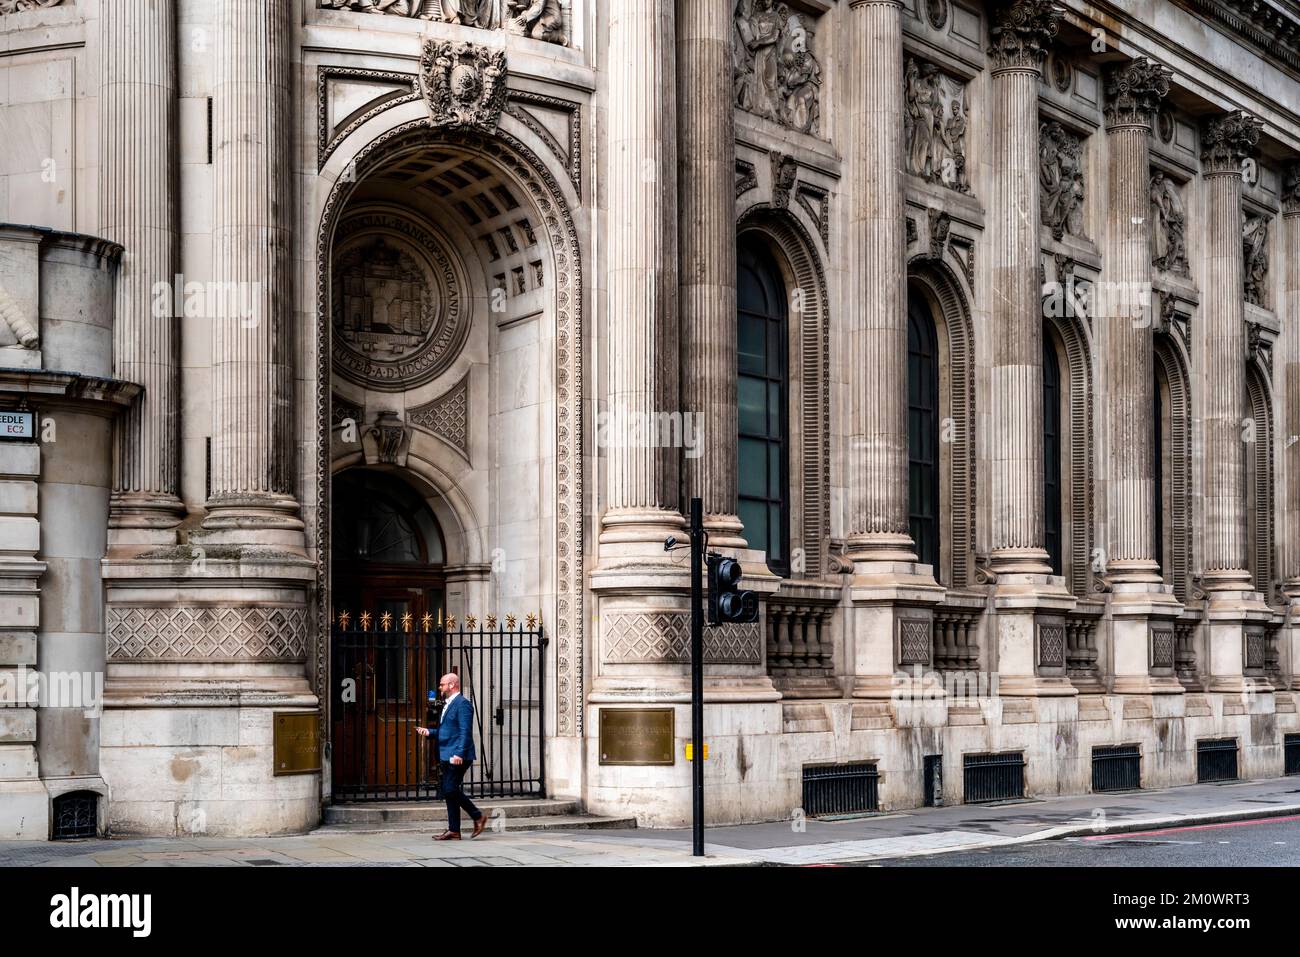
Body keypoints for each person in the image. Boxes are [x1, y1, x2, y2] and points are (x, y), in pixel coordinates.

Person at [416, 672, 485, 840]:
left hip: (457, 755)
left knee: (449, 789)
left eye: (442, 684)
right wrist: (430, 732)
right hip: (447, 753)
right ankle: (454, 830)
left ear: (452, 685)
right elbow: (447, 730)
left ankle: (478, 816)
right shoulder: (449, 704)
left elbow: (465, 732)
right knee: (449, 791)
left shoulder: (463, 705)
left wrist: (459, 753)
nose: (440, 687)